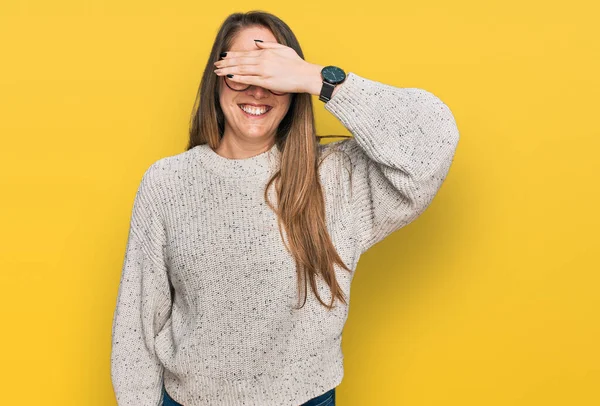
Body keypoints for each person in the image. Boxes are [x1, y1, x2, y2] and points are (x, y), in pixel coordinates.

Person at [110, 10, 460, 406]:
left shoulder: (333, 178)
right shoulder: (167, 183)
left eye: (271, 74)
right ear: (217, 79)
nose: (258, 90)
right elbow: (135, 329)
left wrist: (318, 79)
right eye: (243, 70)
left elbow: (434, 138)